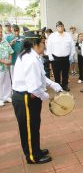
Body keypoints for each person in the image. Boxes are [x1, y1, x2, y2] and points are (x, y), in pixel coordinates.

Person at [12, 30, 62, 164]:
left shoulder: (33, 56)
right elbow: (34, 88)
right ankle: (32, 157)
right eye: (43, 43)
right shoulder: (31, 60)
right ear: (35, 44)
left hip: (30, 96)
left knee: (34, 125)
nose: (44, 45)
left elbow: (40, 76)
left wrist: (53, 84)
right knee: (28, 128)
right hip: (26, 97)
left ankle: (36, 150)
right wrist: (47, 97)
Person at [47, 21, 75, 91]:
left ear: (63, 27)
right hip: (55, 58)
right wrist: (50, 56)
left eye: (62, 26)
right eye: (59, 26)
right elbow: (49, 46)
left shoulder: (68, 35)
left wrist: (71, 55)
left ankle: (65, 85)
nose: (60, 28)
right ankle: (58, 87)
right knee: (56, 74)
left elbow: (72, 46)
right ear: (56, 27)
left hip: (66, 58)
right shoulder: (52, 36)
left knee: (65, 73)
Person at [0, 28, 14, 106]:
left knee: (7, 81)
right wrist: (4, 61)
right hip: (1, 66)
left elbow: (10, 51)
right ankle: (0, 99)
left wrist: (10, 60)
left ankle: (7, 97)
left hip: (6, 66)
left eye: (1, 32)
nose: (0, 33)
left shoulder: (4, 41)